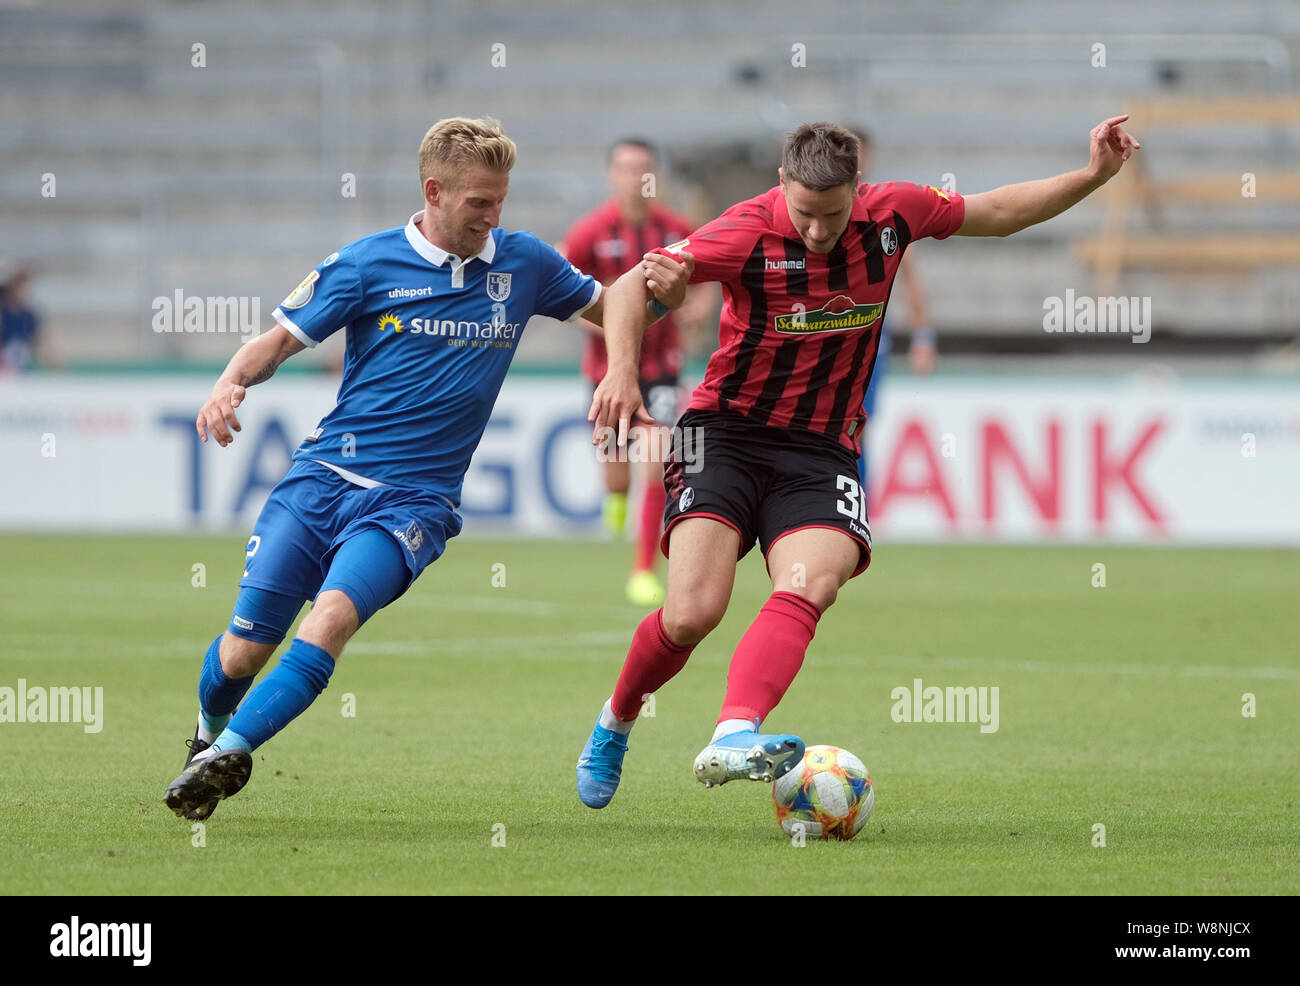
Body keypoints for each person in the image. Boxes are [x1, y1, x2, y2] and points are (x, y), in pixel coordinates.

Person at [577, 117, 1140, 808]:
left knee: (813, 581)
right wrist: (624, 373)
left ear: (857, 192)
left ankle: (733, 731)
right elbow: (632, 287)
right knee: (693, 614)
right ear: (782, 185)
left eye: (833, 214)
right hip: (724, 434)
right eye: (806, 214)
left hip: (821, 449)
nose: (818, 230)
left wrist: (1091, 177)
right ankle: (616, 720)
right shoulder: (745, 230)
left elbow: (995, 213)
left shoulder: (893, 214)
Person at [163, 116, 694, 820]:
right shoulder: (365, 263)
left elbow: (619, 305)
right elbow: (276, 342)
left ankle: (225, 756)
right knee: (242, 652)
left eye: (501, 200)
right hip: (320, 483)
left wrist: (666, 300)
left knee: (329, 621)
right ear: (434, 191)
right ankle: (207, 735)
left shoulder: (525, 264)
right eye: (479, 202)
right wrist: (229, 383)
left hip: (414, 505)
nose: (493, 216)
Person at [558, 138, 713, 606]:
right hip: (606, 371)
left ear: (655, 176)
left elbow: (708, 279)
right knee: (617, 475)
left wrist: (698, 309)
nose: (636, 178)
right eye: (626, 168)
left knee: (662, 459)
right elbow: (560, 288)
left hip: (663, 368)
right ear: (612, 176)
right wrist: (598, 319)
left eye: (644, 168)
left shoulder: (677, 229)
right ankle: (616, 501)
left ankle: (644, 569)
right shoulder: (591, 231)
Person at [848, 127, 935, 492]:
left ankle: (858, 512)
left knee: (857, 429)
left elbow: (911, 279)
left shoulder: (884, 213)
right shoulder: (817, 207)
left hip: (868, 344)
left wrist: (923, 336)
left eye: (859, 155)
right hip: (822, 335)